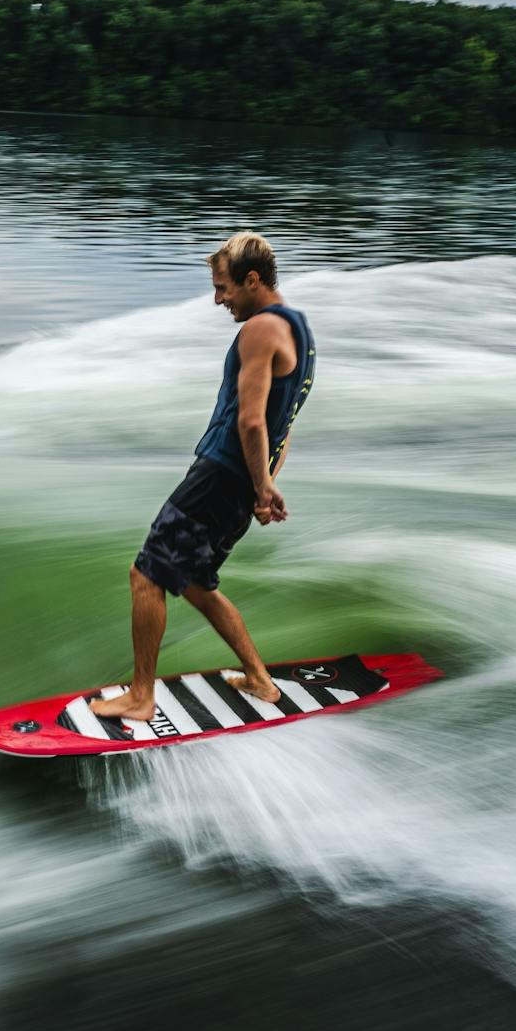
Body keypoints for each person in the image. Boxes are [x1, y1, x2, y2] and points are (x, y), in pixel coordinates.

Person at [89, 232, 315, 721]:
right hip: (241, 481)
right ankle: (260, 679)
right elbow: (286, 424)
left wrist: (259, 486)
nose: (219, 300)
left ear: (252, 280)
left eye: (224, 289)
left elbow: (253, 420)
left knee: (146, 576)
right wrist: (265, 485)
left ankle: (141, 697)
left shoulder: (260, 330)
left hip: (220, 476)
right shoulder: (302, 333)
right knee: (194, 582)